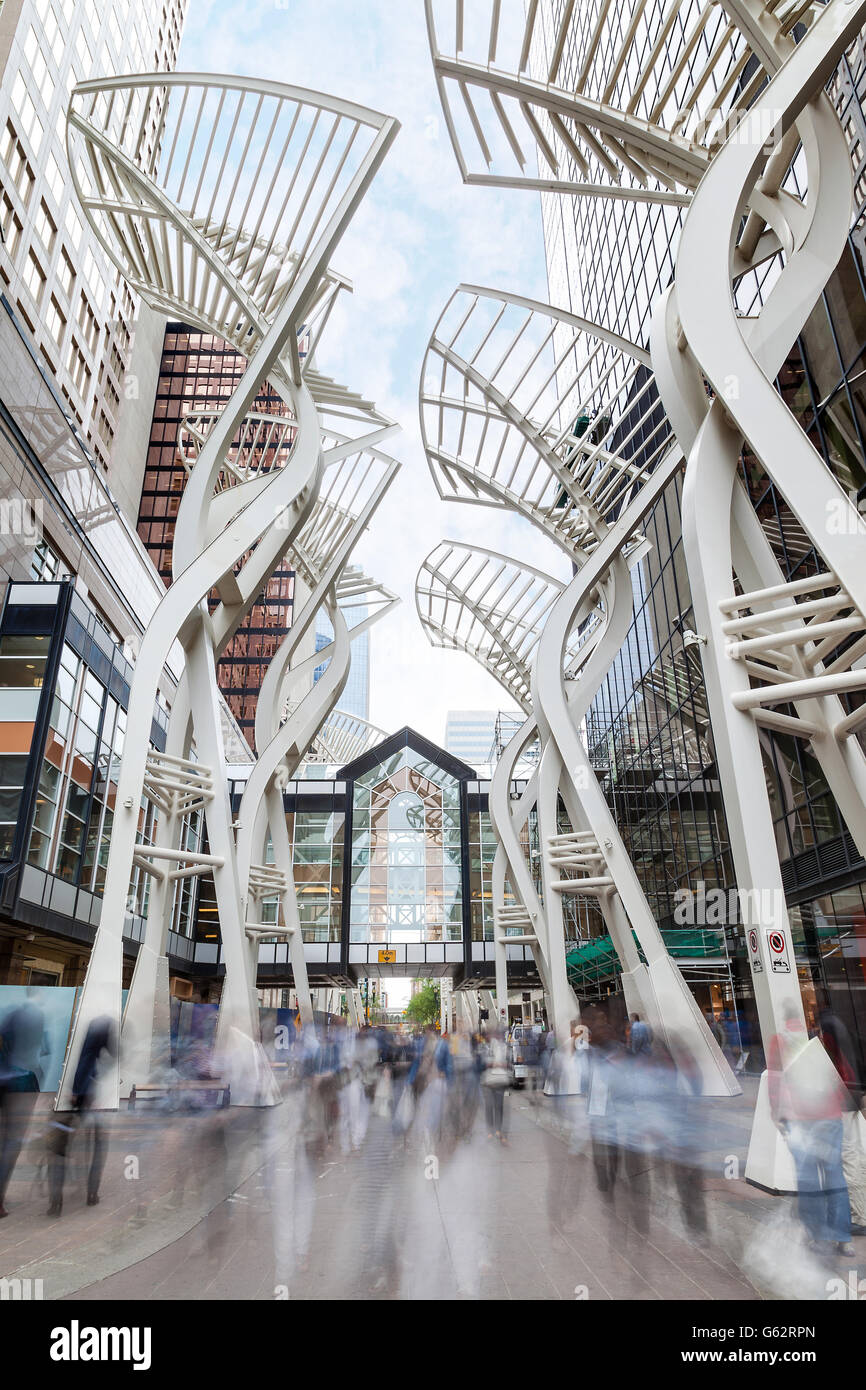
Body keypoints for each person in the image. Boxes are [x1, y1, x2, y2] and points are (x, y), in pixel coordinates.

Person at [768, 1002, 855, 1257]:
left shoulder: (780, 1041)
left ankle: (818, 1238)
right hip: (830, 1116)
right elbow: (842, 1074)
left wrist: (776, 1112)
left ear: (783, 1018)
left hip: (801, 1119)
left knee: (809, 1181)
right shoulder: (821, 1038)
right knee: (835, 1175)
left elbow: (775, 1079)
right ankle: (842, 1238)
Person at [47, 1016, 115, 1216]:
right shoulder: (104, 1042)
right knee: (99, 1145)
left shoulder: (92, 1035)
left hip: (78, 1097)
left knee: (60, 1148)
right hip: (91, 1098)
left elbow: (85, 1062)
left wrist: (76, 1091)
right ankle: (92, 1193)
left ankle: (56, 1201)